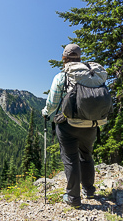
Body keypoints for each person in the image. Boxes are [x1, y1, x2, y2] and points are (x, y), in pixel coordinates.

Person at [42, 44, 96, 208]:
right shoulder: (92, 75)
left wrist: (45, 112)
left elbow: (52, 103)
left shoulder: (61, 76)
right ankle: (89, 190)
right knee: (86, 155)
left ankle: (73, 198)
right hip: (91, 124)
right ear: (80, 58)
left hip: (69, 125)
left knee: (70, 159)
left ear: (64, 59)